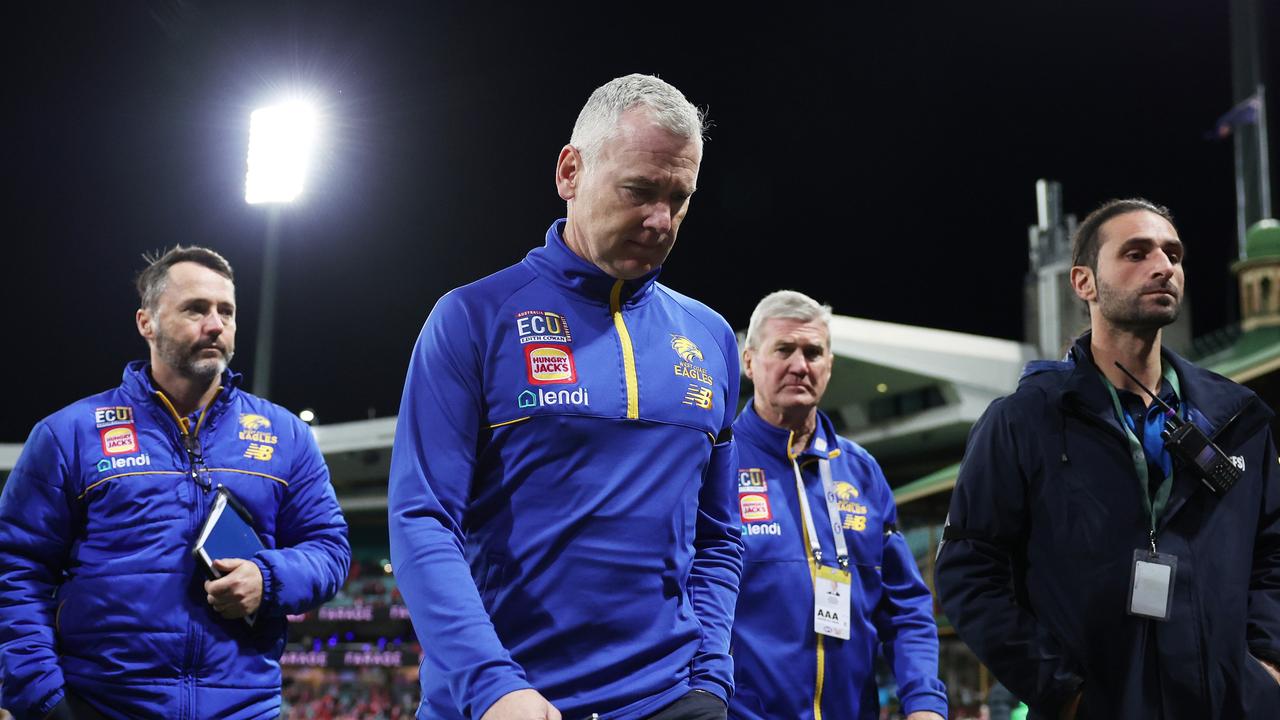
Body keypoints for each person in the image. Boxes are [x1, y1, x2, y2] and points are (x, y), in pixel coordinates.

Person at [387, 73, 743, 720]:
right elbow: (421, 519)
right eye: (639, 190)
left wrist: (710, 678)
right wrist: (493, 685)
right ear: (570, 172)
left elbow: (719, 536)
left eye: (679, 197)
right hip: (502, 704)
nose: (661, 220)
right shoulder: (473, 318)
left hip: (669, 702)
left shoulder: (711, 338)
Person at [934, 199, 1280, 718]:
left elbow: (1273, 552)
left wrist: (1265, 663)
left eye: (1173, 253)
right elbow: (968, 570)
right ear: (1084, 283)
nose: (1163, 266)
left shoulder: (1239, 419)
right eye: (1136, 253)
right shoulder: (1023, 421)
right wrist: (1060, 690)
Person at [0, 246, 351, 719]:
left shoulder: (285, 435)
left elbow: (329, 548)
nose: (215, 325)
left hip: (242, 708)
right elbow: (16, 568)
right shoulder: (70, 433)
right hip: (101, 705)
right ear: (146, 323)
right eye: (196, 309)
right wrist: (43, 699)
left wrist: (268, 579)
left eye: (226, 311)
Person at [729, 290, 948, 720]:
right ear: (750, 362)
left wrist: (924, 702)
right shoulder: (716, 463)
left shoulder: (862, 472)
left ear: (829, 366)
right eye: (784, 349)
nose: (799, 365)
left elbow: (905, 608)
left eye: (813, 352)